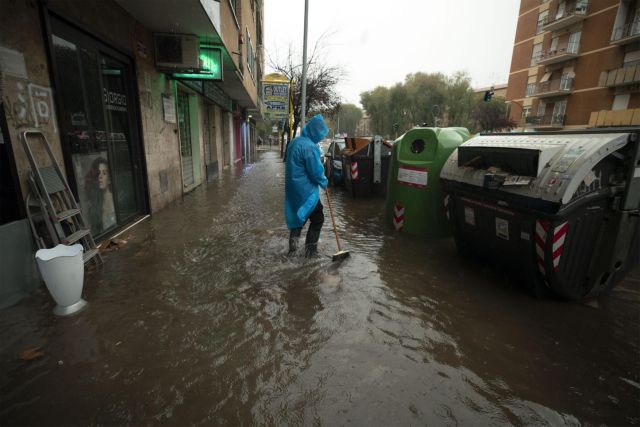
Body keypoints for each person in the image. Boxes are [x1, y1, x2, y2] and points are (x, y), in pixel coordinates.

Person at [284, 114, 329, 257]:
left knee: (298, 219)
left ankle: (292, 251)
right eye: (320, 134)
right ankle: (311, 252)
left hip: (293, 190)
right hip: (306, 191)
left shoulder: (293, 143)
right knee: (318, 218)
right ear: (315, 132)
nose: (321, 138)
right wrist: (324, 181)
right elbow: (316, 172)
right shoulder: (310, 147)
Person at [85, 156, 116, 233]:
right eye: (98, 173)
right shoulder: (95, 203)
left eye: (104, 173)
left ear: (109, 179)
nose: (100, 176)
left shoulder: (115, 200)